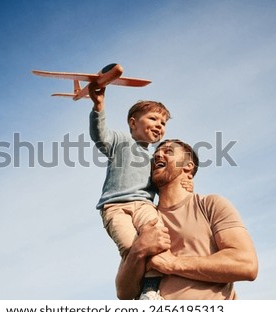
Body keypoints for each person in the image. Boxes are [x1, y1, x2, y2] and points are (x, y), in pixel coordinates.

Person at [115, 139, 258, 300]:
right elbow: (124, 293)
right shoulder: (143, 218)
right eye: (155, 154)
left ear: (188, 166)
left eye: (168, 152)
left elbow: (246, 264)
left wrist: (173, 264)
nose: (157, 156)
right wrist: (138, 250)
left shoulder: (210, 205)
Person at [88, 83, 186, 300]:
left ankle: (150, 289)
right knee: (130, 247)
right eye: (153, 119)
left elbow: (163, 185)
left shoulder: (154, 159)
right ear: (133, 123)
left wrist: (185, 184)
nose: (159, 125)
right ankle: (134, 289)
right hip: (115, 207)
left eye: (163, 123)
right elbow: (99, 134)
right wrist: (98, 107)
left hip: (144, 205)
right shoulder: (120, 142)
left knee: (159, 239)